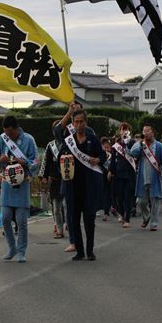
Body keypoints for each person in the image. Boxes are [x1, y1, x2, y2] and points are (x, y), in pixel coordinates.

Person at [0, 115, 39, 263]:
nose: (8, 136)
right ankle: (12, 247)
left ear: (16, 129)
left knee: (22, 221)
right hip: (6, 184)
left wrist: (24, 162)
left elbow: (35, 161)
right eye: (6, 133)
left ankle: (22, 250)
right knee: (5, 218)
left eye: (10, 133)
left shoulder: (29, 140)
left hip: (22, 185)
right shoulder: (1, 139)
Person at [59, 110, 103, 261]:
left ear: (86, 122)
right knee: (73, 219)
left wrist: (97, 160)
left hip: (89, 185)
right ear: (72, 123)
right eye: (76, 122)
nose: (79, 124)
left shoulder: (92, 139)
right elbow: (60, 158)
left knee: (89, 219)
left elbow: (103, 155)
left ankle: (90, 251)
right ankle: (79, 251)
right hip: (72, 186)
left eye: (81, 121)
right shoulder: (68, 141)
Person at [130, 125, 162, 231]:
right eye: (144, 131)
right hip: (142, 177)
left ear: (152, 133)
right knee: (141, 201)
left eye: (147, 131)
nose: (145, 133)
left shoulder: (159, 146)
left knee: (155, 201)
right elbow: (133, 153)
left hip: (155, 177)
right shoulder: (140, 144)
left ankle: (153, 223)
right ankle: (146, 216)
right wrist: (140, 145)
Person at [39, 121, 66, 241]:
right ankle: (59, 229)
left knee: (66, 206)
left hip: (67, 180)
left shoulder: (69, 143)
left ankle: (68, 225)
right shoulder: (50, 145)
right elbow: (46, 161)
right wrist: (43, 176)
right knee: (56, 208)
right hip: (55, 181)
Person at [108, 122, 137, 228]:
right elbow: (113, 160)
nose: (123, 131)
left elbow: (135, 155)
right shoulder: (116, 145)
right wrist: (110, 171)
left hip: (129, 174)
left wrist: (127, 142)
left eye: (126, 129)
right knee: (119, 198)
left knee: (127, 198)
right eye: (122, 129)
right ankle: (122, 213)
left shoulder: (133, 143)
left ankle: (127, 219)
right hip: (118, 174)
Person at [100, 137, 113, 221]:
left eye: (108, 147)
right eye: (104, 147)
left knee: (109, 193)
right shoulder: (100, 155)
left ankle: (107, 211)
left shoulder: (113, 155)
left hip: (109, 175)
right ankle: (105, 211)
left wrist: (110, 171)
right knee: (103, 193)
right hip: (101, 175)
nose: (106, 149)